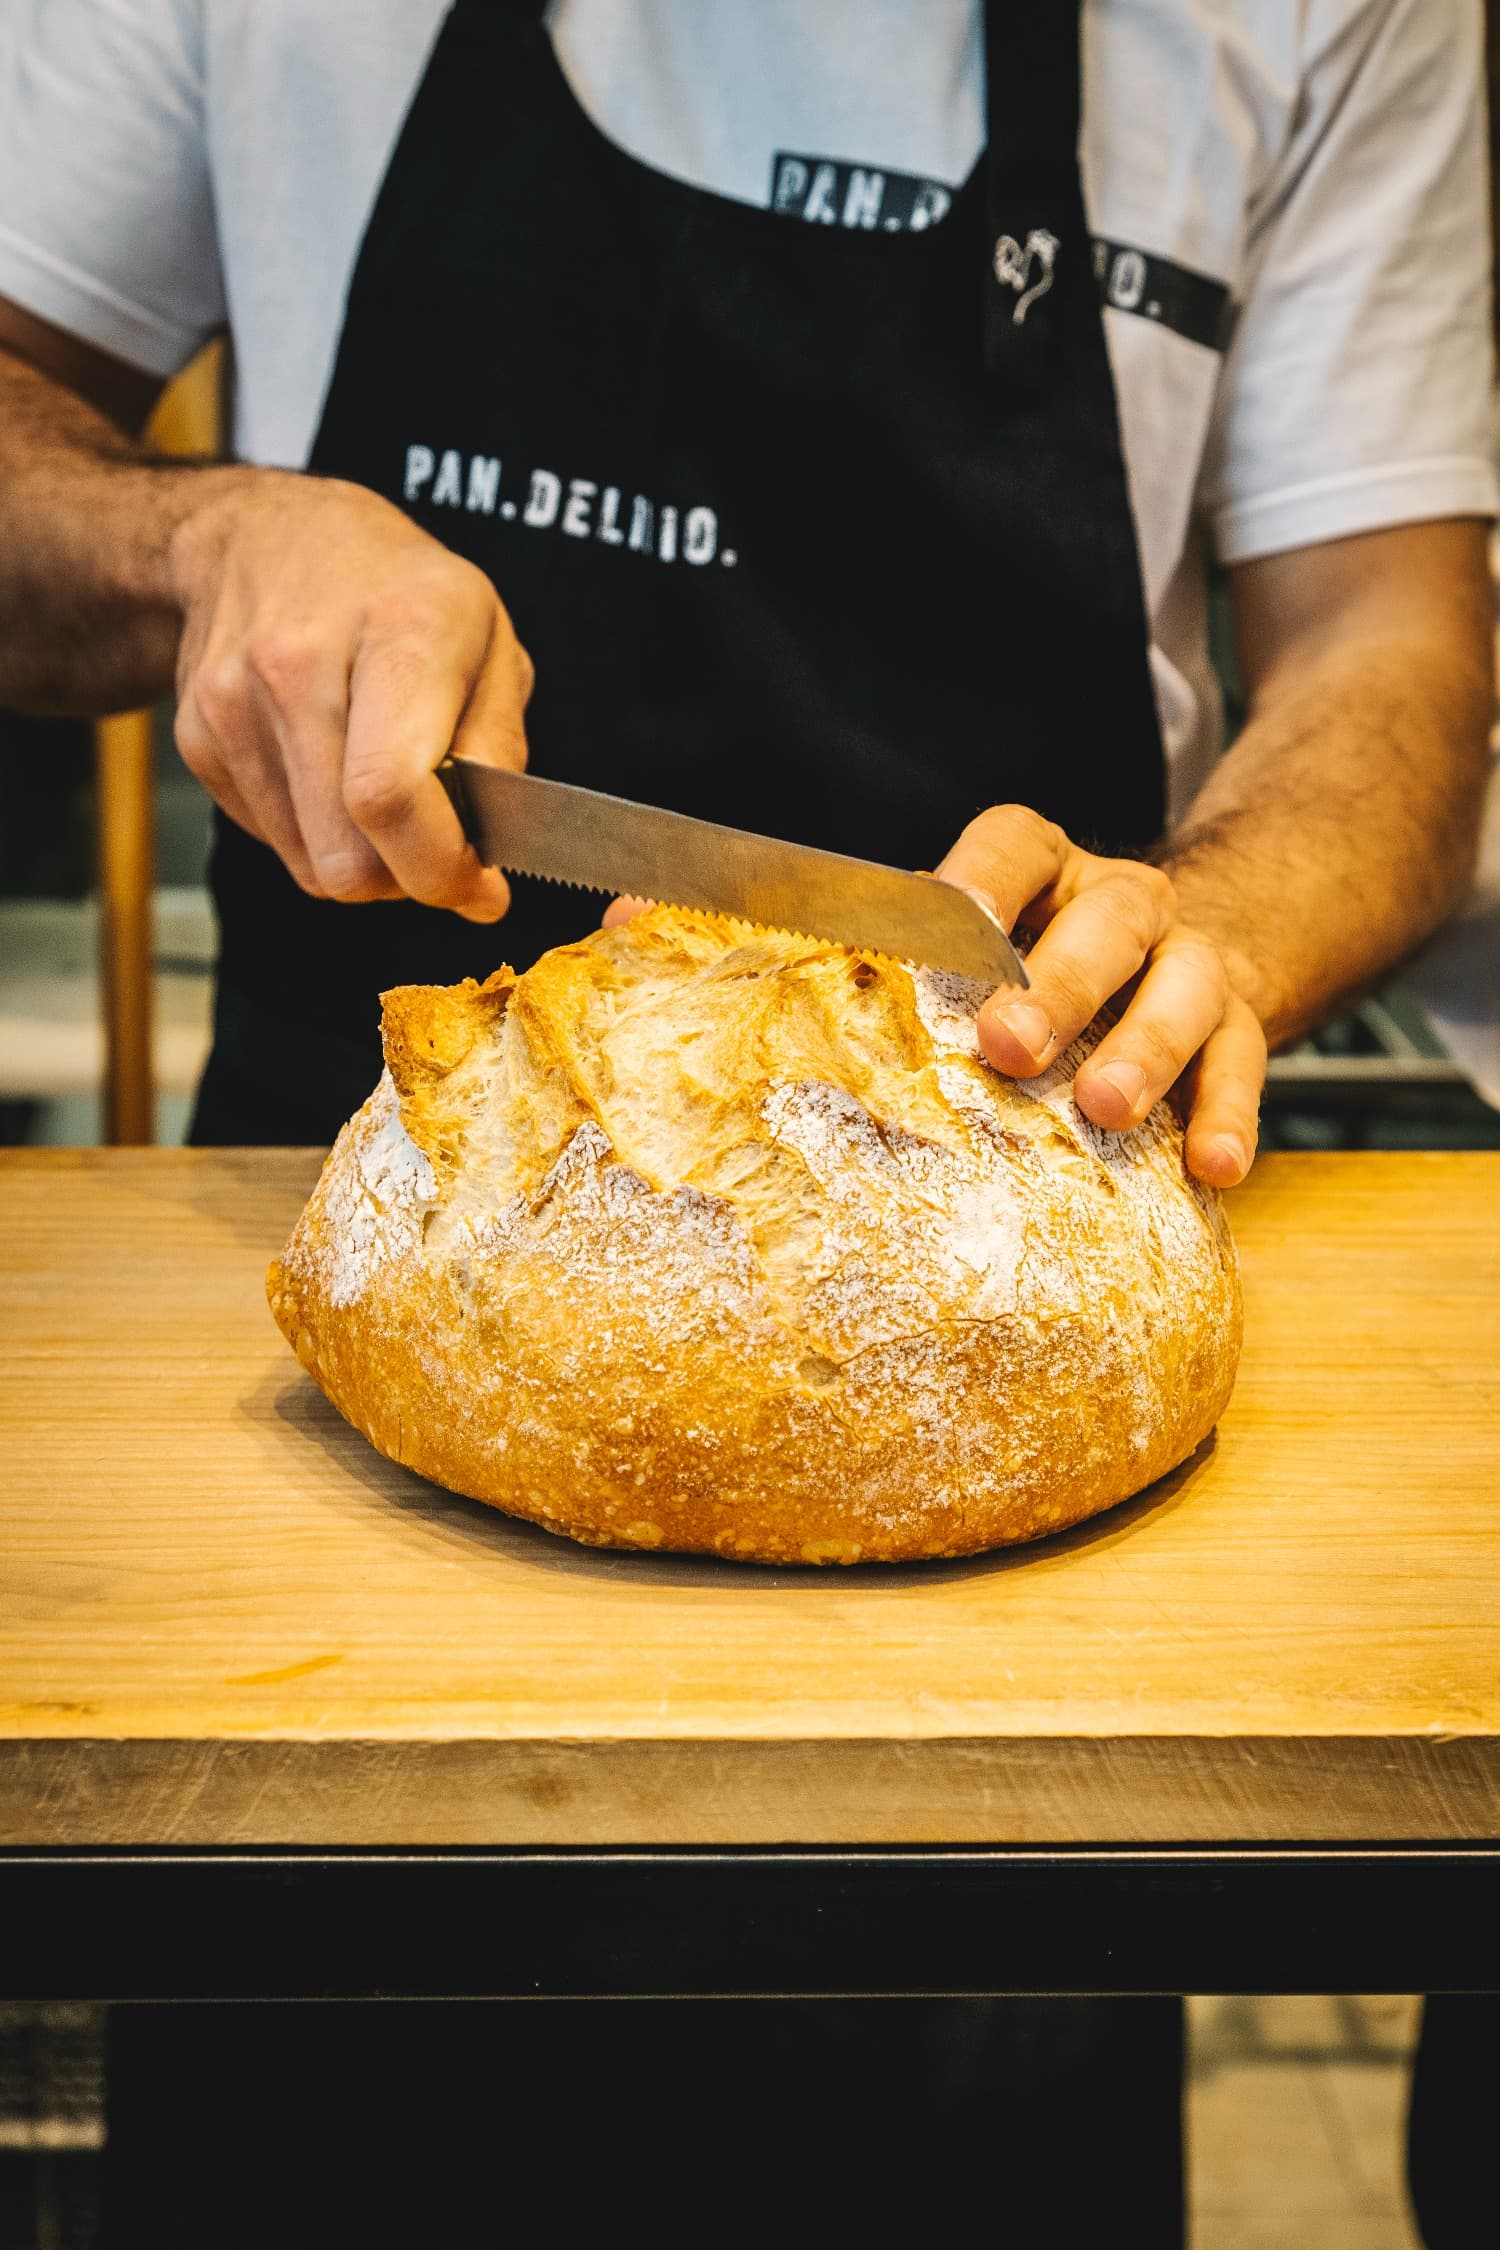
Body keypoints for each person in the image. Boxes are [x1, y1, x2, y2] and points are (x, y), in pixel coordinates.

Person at [0, 2, 1492, 2243]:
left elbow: (1396, 636)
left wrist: (1218, 921)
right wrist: (205, 541)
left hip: (1017, 1417)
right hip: (388, 1306)